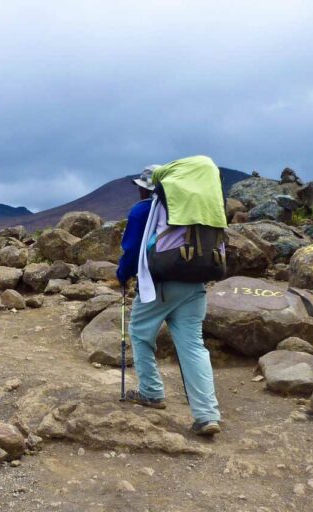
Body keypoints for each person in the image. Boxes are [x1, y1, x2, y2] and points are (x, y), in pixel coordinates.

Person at [116, 164, 223, 437]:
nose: (138, 189)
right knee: (194, 347)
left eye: (140, 185)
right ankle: (207, 415)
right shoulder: (195, 210)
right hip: (194, 284)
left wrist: (123, 275)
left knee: (140, 334)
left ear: (148, 187)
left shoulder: (144, 210)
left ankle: (151, 392)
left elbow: (130, 250)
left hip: (159, 285)